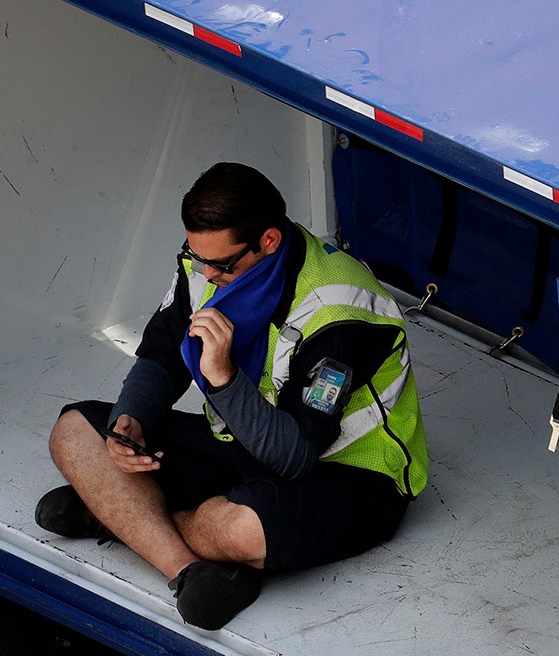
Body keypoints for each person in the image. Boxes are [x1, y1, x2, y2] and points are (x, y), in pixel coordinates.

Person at [40, 162, 428, 629]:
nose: (204, 271)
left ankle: (118, 517)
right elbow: (162, 352)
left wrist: (222, 378)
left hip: (350, 476)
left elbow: (295, 456)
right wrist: (131, 422)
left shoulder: (339, 312)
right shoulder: (206, 262)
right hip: (243, 444)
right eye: (194, 254)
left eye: (220, 265)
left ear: (268, 241)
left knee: (244, 531)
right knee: (74, 433)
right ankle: (186, 569)